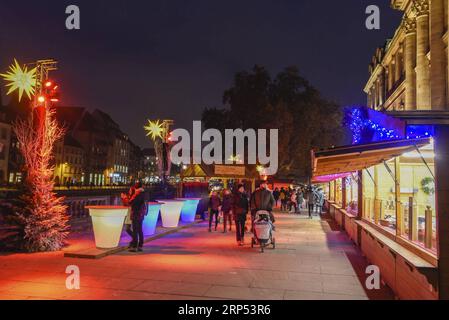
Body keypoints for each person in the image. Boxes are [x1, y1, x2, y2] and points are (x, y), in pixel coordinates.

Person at [128, 182, 147, 252]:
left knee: (135, 230)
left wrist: (131, 195)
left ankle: (134, 246)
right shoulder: (143, 193)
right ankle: (140, 246)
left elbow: (131, 202)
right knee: (140, 230)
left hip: (136, 213)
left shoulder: (137, 194)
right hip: (141, 214)